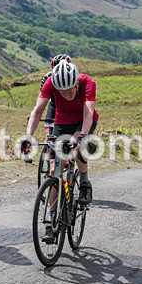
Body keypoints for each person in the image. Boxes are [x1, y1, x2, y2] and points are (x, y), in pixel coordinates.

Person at [21, 60, 98, 205]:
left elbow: (88, 113)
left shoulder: (88, 82)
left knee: (78, 148)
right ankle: (52, 222)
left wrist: (82, 135)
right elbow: (37, 112)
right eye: (62, 92)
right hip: (62, 121)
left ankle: (84, 181)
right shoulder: (50, 83)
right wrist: (28, 136)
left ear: (76, 84)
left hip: (84, 120)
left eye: (70, 91)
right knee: (53, 170)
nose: (67, 95)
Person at [41, 54, 72, 135]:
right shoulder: (48, 77)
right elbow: (44, 95)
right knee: (50, 137)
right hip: (54, 106)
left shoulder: (73, 76)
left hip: (69, 107)